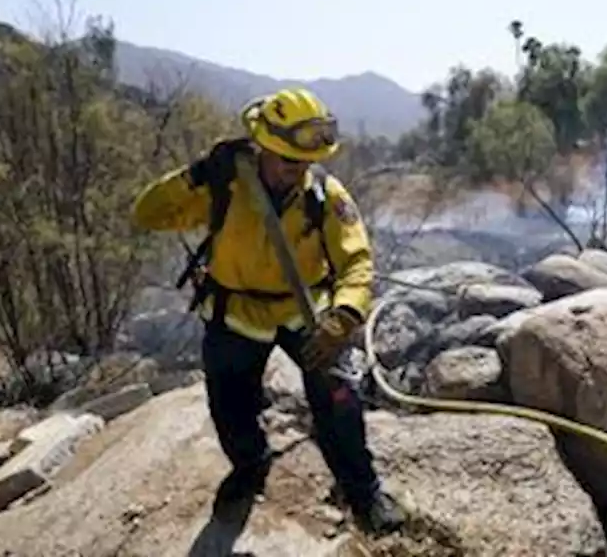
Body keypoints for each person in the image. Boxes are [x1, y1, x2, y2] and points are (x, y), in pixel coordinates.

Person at [130, 88, 406, 534]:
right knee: (230, 403)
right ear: (263, 147)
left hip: (306, 313)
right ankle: (250, 464)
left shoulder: (324, 195)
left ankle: (363, 491)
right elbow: (147, 213)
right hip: (235, 311)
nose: (297, 172)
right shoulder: (223, 185)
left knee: (338, 398)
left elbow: (356, 262)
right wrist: (195, 174)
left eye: (306, 162)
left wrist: (345, 316)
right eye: (288, 161)